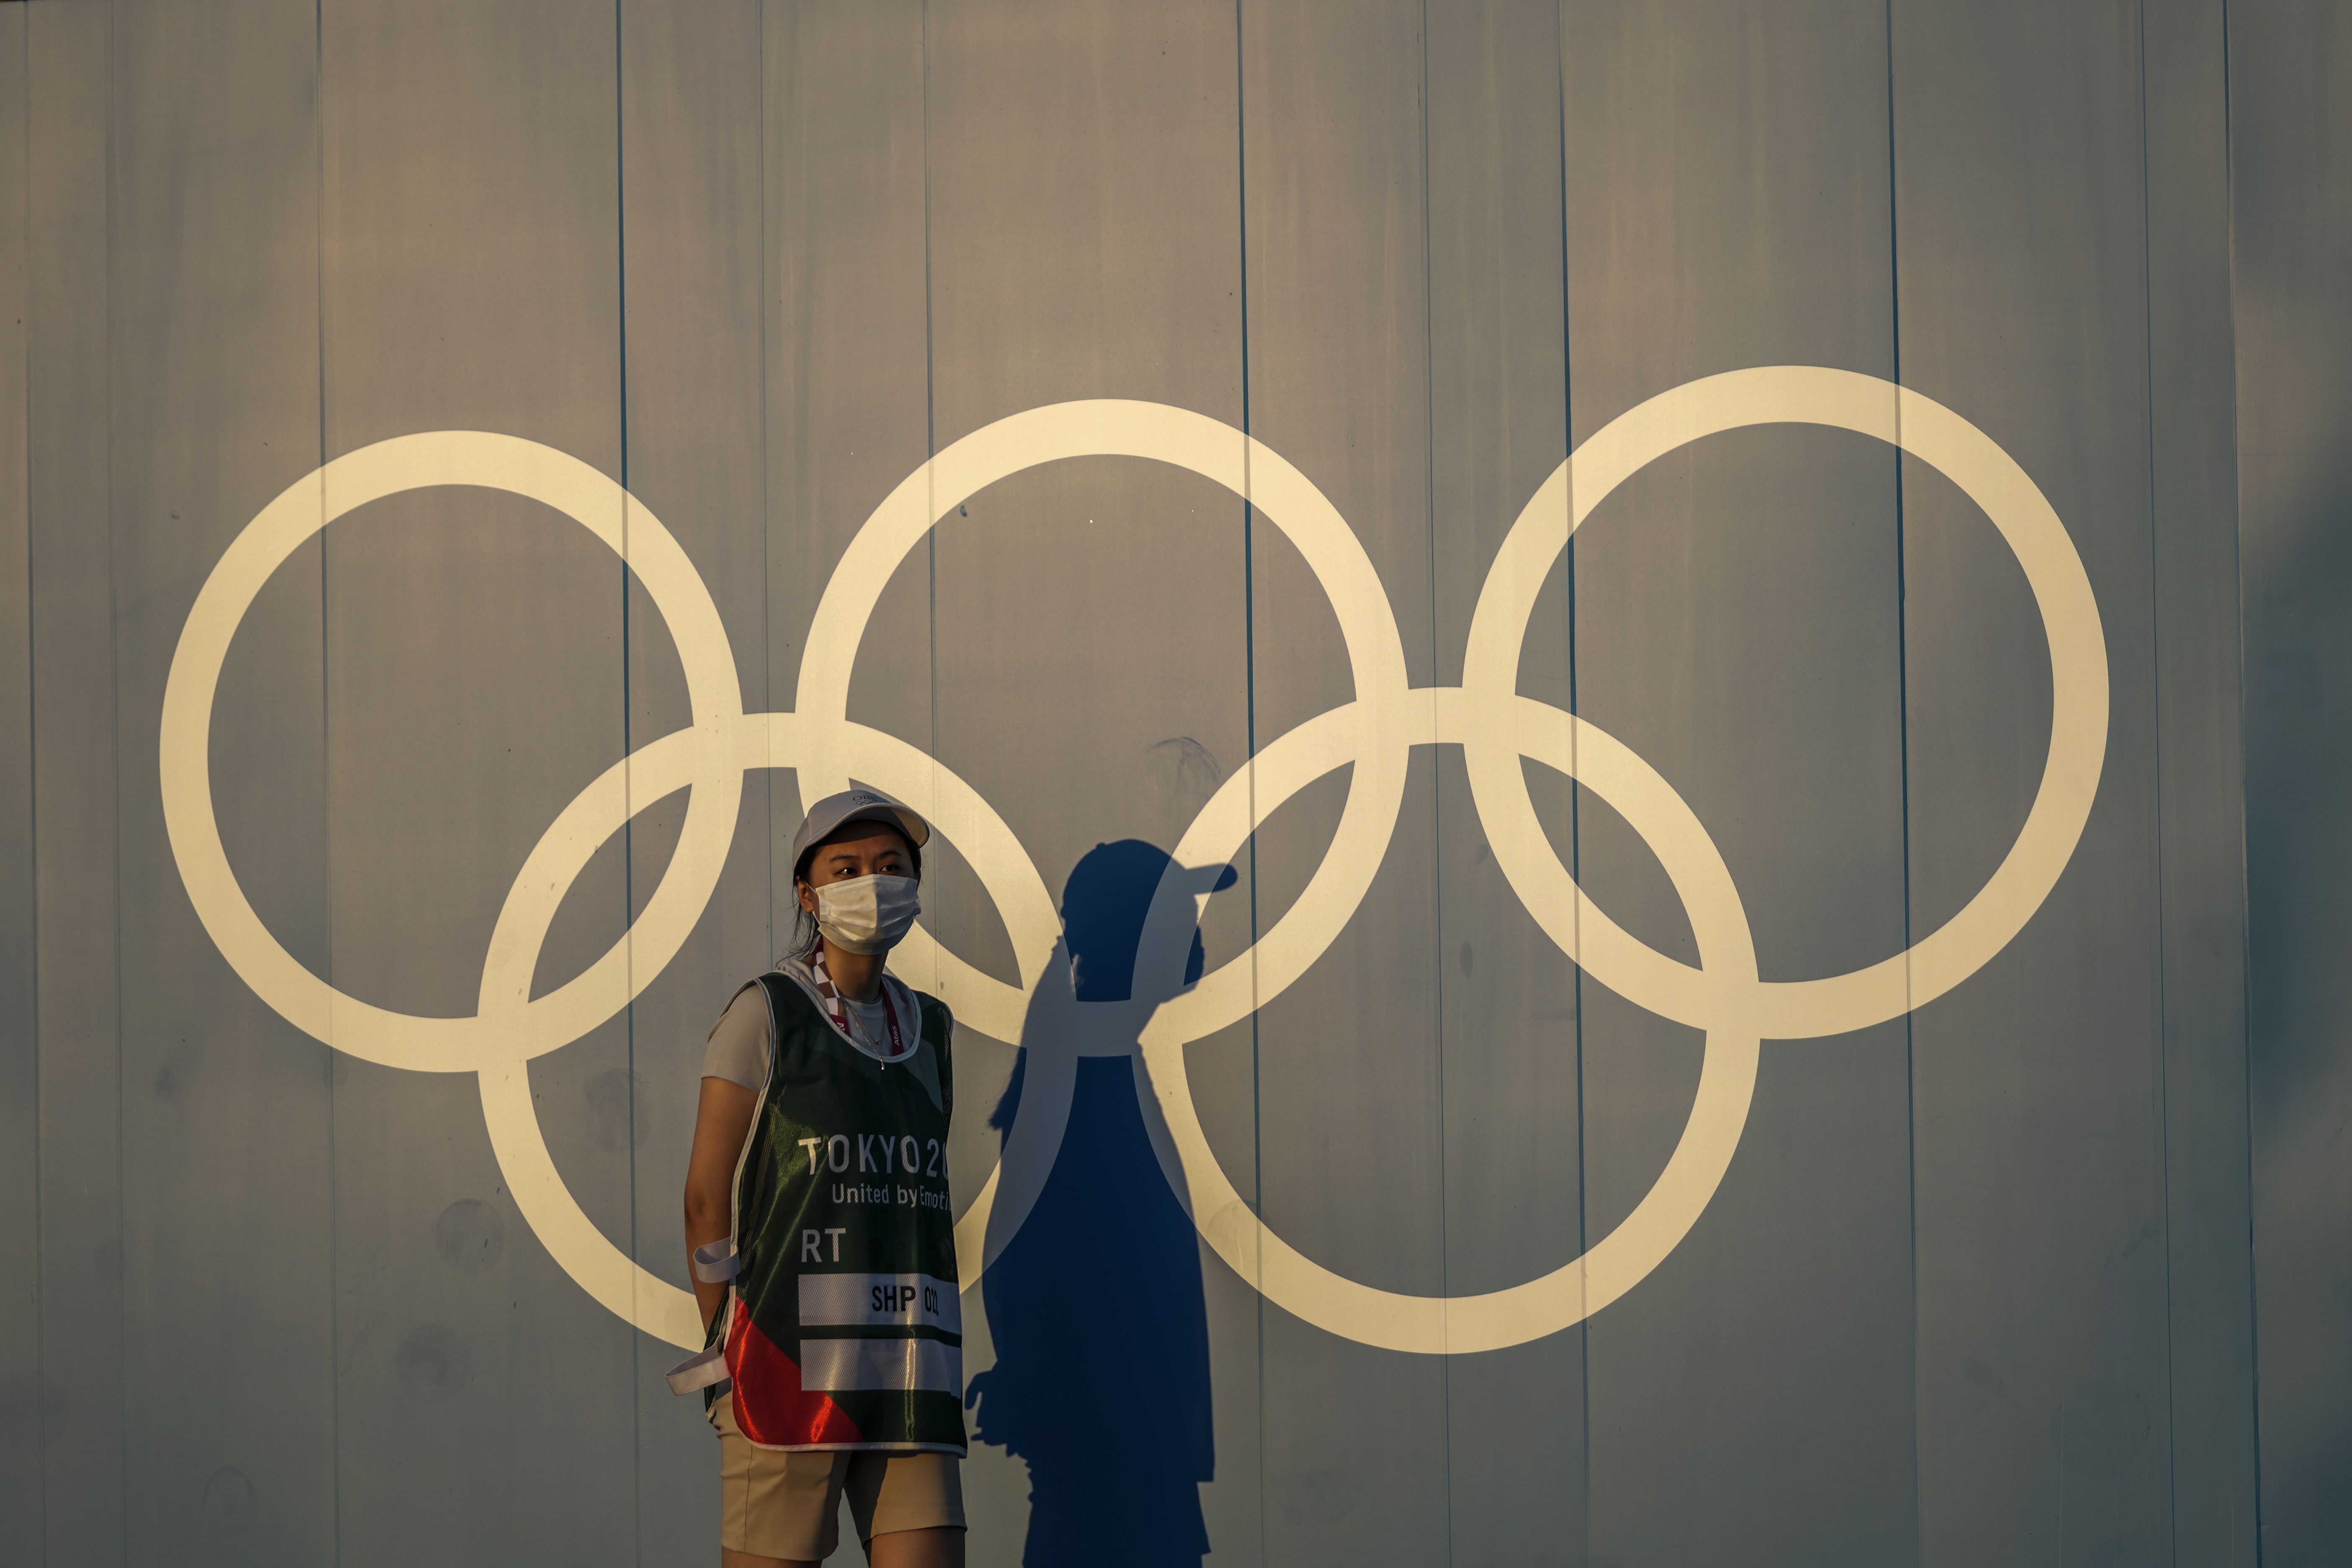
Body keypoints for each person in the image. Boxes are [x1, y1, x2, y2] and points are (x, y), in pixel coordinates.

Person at [672, 789, 967, 1568]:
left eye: (891, 865)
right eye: (847, 867)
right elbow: (706, 1199)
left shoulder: (931, 1028)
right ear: (808, 894)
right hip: (790, 1372)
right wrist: (725, 1350)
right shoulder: (767, 1013)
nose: (873, 881)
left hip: (910, 1370)